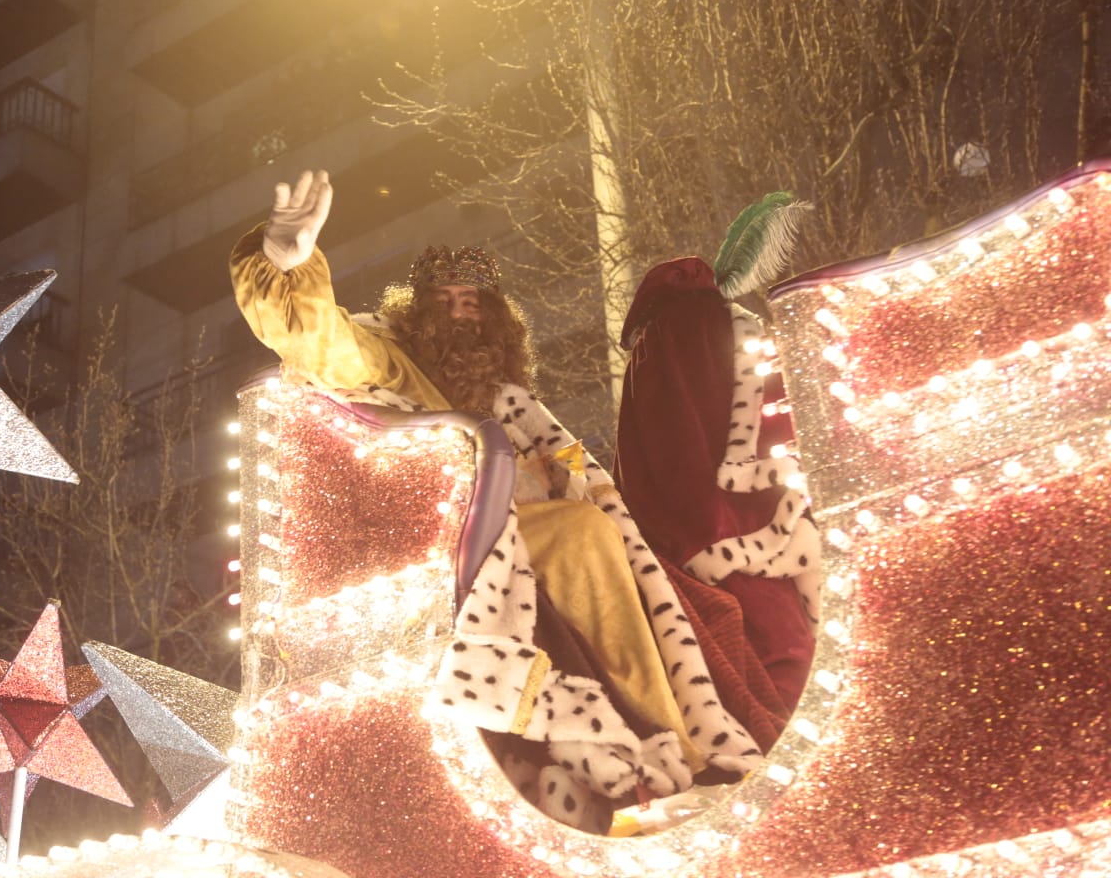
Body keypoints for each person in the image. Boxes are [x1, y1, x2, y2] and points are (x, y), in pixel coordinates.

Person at [231, 170, 764, 831]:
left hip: (522, 533)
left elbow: (571, 470)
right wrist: (286, 263)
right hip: (448, 543)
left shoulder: (509, 397)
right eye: (446, 299)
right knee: (583, 536)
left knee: (685, 580)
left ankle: (679, 727)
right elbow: (320, 343)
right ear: (417, 314)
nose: (462, 308)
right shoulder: (395, 358)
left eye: (474, 301)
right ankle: (671, 742)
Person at [614, 196, 821, 751]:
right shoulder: (691, 336)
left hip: (718, 536)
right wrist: (722, 524)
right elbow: (688, 447)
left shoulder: (659, 349)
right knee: (786, 657)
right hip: (729, 537)